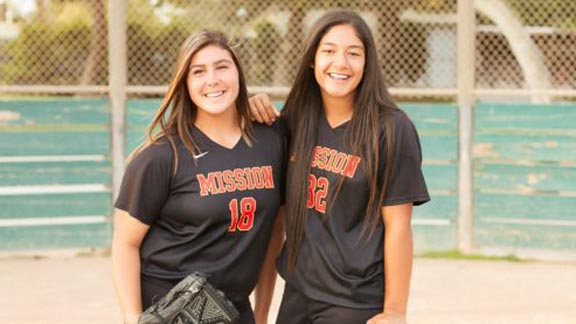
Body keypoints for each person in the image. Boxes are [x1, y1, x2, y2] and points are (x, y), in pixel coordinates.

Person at [249, 9, 430, 324]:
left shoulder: (391, 128)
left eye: (354, 53)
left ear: (367, 63)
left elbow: (399, 226)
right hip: (299, 292)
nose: (341, 63)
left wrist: (395, 311)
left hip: (355, 300)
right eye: (329, 51)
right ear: (312, 60)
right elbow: (275, 218)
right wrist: (248, 106)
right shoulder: (295, 121)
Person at [111, 30, 285, 324]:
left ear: (238, 74)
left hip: (235, 308)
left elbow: (274, 232)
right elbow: (124, 244)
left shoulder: (272, 140)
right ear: (186, 83)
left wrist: (263, 315)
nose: (212, 80)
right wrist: (132, 318)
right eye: (198, 71)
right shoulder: (162, 156)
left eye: (222, 67)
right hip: (171, 306)